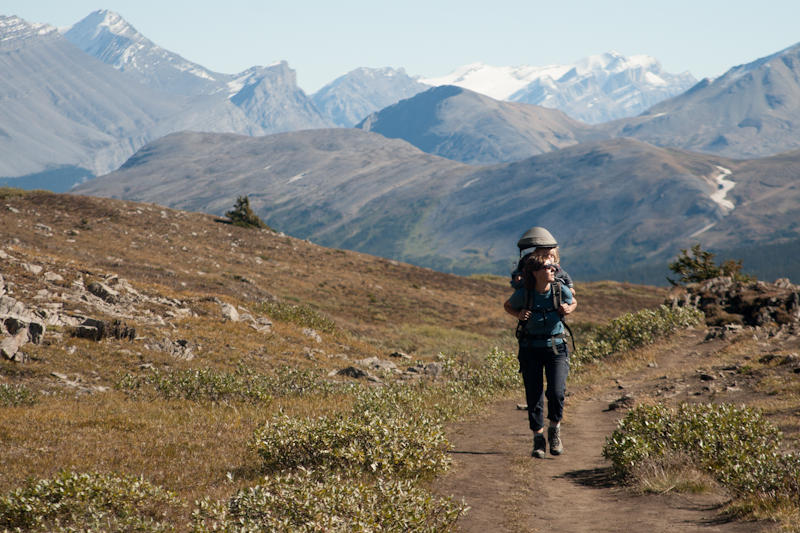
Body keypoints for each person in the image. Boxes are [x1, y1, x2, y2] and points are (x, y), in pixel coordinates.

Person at [504, 254, 573, 458]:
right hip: (530, 348)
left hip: (556, 348)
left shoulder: (560, 289)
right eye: (548, 268)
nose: (553, 270)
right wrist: (518, 314)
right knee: (534, 395)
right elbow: (508, 305)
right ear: (535, 273)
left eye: (553, 267)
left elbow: (574, 301)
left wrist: (569, 308)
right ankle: (538, 440)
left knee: (557, 392)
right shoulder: (524, 293)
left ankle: (554, 430)